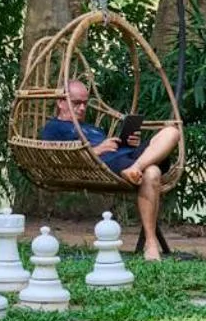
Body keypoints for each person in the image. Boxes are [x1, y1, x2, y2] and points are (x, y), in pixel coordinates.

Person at [39, 78, 181, 261]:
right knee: (152, 172)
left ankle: (137, 166)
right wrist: (97, 151)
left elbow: (111, 145)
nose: (82, 108)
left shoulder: (91, 128)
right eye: (76, 103)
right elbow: (56, 157)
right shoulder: (54, 128)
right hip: (104, 165)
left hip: (127, 159)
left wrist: (126, 143)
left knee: (172, 131)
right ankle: (151, 243)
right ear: (60, 102)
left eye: (85, 103)